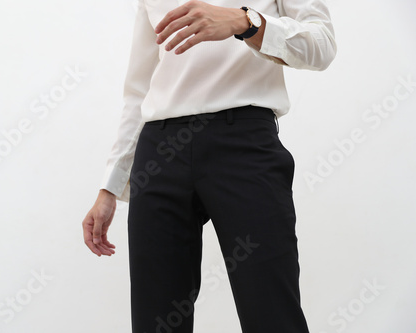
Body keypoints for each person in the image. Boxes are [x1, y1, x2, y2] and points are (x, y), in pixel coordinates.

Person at [82, 0, 336, 332]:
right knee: (156, 320)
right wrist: (110, 186)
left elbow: (322, 45)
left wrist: (246, 22)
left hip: (244, 145)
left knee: (271, 312)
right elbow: (139, 90)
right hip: (159, 152)